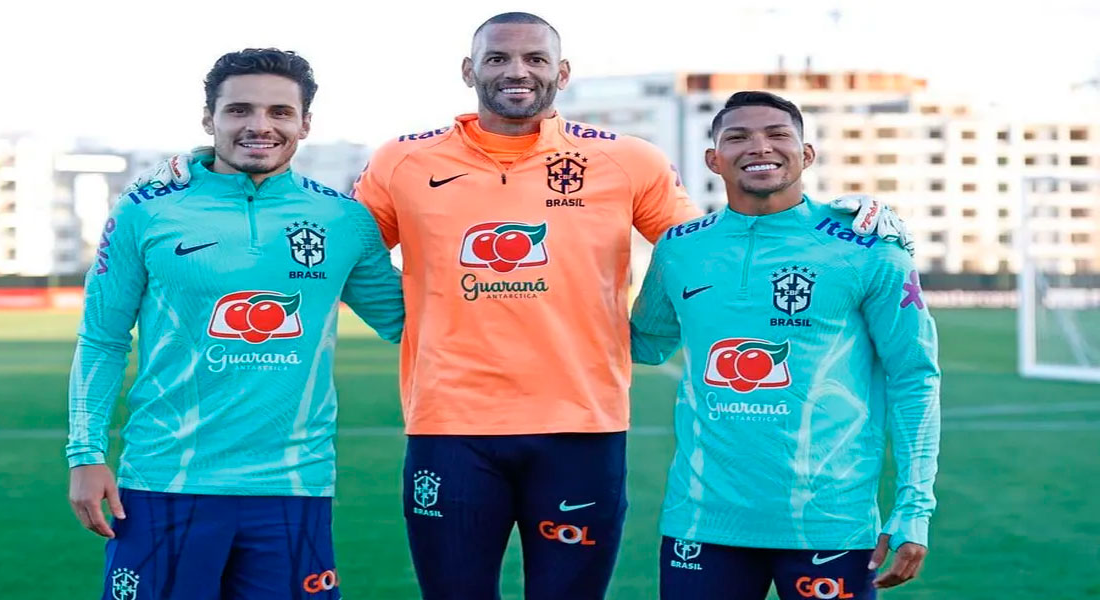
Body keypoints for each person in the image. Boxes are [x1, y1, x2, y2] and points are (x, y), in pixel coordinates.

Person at [126, 14, 914, 599]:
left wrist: (843, 219)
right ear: (466, 69)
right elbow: (323, 241)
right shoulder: (404, 160)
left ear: (561, 72)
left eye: (535, 58)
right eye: (497, 57)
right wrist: (203, 181)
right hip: (449, 429)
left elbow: (720, 247)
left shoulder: (627, 161)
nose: (517, 70)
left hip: (581, 429)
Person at [66, 48, 403, 600]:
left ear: (304, 124)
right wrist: (85, 454)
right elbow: (102, 338)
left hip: (294, 484)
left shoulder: (343, 219)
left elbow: (412, 319)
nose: (259, 126)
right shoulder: (145, 209)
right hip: (165, 480)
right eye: (239, 110)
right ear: (210, 119)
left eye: (279, 113)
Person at [631, 91, 940, 600]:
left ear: (807, 154)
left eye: (778, 134)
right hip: (702, 521)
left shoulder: (869, 248)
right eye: (737, 137)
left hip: (830, 522)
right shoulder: (679, 248)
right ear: (713, 159)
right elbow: (644, 343)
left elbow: (914, 376)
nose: (760, 147)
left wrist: (915, 506)